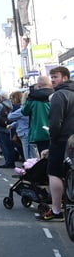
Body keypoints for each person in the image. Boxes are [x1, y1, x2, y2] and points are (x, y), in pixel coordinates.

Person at [39, 66, 74, 221]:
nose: (53, 80)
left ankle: (56, 210)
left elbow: (55, 123)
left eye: (56, 77)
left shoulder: (59, 95)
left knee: (54, 172)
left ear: (65, 78)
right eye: (51, 77)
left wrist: (53, 139)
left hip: (62, 139)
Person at [23, 75, 53, 158]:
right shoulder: (57, 94)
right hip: (56, 130)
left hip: (40, 131)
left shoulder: (33, 98)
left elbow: (24, 111)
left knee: (43, 157)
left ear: (39, 85)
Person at [7, 90, 33, 160]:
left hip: (24, 132)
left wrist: (10, 111)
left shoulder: (23, 109)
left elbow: (10, 117)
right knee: (31, 152)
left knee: (27, 153)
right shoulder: (31, 107)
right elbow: (23, 120)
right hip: (28, 131)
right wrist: (13, 124)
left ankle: (29, 167)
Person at [0, 93, 15, 167]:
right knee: (10, 146)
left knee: (4, 146)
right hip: (9, 127)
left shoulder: (0, 105)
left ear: (2, 97)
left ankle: (8, 162)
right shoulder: (11, 104)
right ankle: (12, 161)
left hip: (1, 128)